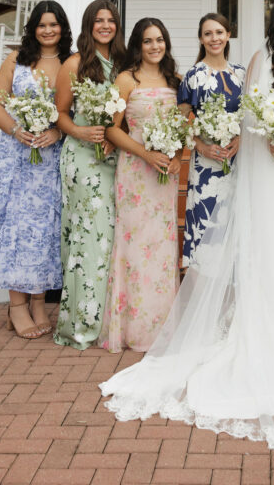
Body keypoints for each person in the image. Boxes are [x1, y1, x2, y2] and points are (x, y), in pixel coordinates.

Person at [100, 0, 274, 449]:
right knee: (264, 232)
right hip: (263, 159)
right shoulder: (258, 60)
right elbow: (246, 113)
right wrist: (267, 142)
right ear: (272, 23)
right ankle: (262, 310)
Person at [0, 1, 72, 339]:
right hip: (17, 157)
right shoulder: (15, 60)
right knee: (18, 228)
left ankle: (38, 302)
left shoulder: (70, 63)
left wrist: (58, 131)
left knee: (46, 229)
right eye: (42, 24)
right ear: (33, 28)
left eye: (54, 24)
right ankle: (16, 305)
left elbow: (74, 112)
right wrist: (18, 130)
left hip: (51, 158)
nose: (48, 30)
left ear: (63, 27)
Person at [98, 18, 182, 352]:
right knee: (134, 245)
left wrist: (178, 155)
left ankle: (162, 325)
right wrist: (145, 154)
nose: (155, 46)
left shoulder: (175, 80)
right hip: (135, 171)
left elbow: (183, 126)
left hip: (165, 174)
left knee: (161, 248)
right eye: (148, 41)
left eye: (160, 40)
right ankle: (133, 329)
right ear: (138, 44)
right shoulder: (125, 79)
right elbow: (111, 128)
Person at [53, 0, 126, 350]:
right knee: (87, 238)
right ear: (88, 25)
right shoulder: (75, 64)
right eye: (99, 20)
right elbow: (61, 114)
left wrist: (117, 136)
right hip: (82, 159)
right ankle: (81, 323)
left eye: (111, 20)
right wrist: (81, 133)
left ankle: (110, 317)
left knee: (110, 237)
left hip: (115, 159)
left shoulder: (124, 64)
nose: (105, 26)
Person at [177, 13, 245, 266]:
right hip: (206, 165)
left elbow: (248, 116)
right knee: (205, 230)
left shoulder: (241, 74)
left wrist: (240, 139)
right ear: (201, 39)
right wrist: (201, 146)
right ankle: (201, 299)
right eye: (208, 34)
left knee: (234, 228)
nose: (214, 38)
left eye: (219, 32)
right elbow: (181, 121)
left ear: (228, 35)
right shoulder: (194, 75)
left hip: (238, 161)